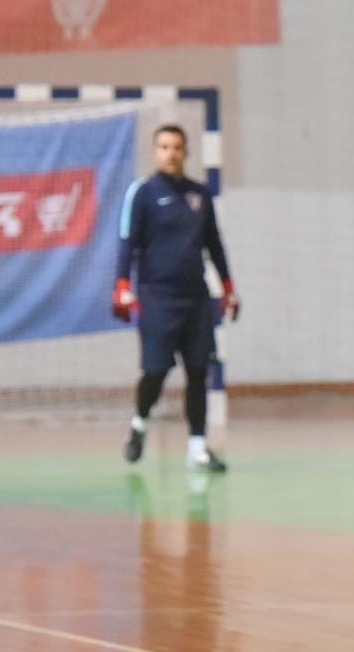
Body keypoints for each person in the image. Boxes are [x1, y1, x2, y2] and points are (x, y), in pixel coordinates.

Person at [114, 123, 240, 472]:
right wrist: (121, 283)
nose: (171, 153)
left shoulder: (199, 195)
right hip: (157, 298)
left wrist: (228, 286)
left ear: (185, 152)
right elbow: (127, 241)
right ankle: (139, 423)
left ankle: (198, 448)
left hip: (196, 299)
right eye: (164, 147)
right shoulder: (143, 193)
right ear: (156, 152)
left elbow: (214, 244)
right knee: (155, 370)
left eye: (177, 147)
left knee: (199, 371)